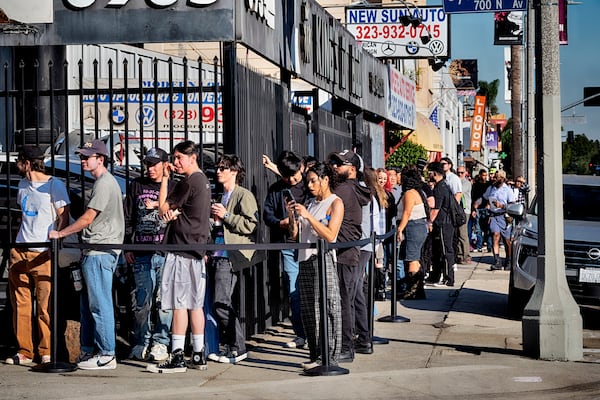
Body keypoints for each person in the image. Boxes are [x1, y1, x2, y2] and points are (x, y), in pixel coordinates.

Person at [49, 139, 124, 370]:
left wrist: (61, 233)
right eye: (82, 156)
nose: (82, 160)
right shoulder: (103, 183)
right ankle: (90, 350)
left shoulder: (104, 183)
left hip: (100, 250)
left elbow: (88, 218)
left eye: (87, 156)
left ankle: (107, 353)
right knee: (90, 304)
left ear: (100, 159)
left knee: (99, 304)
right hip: (95, 250)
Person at [147, 140, 211, 373]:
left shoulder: (189, 182)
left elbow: (163, 208)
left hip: (182, 249)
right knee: (195, 304)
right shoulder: (203, 181)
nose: (175, 162)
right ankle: (198, 352)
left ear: (192, 157)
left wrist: (165, 178)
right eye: (174, 158)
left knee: (179, 305)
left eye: (178, 158)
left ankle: (176, 356)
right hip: (196, 249)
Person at [5, 146, 70, 366]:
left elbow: (64, 216)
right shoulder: (22, 184)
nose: (16, 164)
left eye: (19, 161)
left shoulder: (54, 185)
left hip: (43, 251)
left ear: (27, 162)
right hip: (21, 248)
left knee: (45, 306)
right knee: (20, 304)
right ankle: (24, 350)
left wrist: (56, 242)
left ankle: (46, 351)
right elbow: (23, 216)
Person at [288, 162, 344, 370]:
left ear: (325, 179)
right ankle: (316, 355)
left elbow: (330, 235)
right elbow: (295, 236)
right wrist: (293, 217)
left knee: (328, 307)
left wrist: (308, 216)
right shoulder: (310, 203)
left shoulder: (335, 203)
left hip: (323, 258)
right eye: (308, 181)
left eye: (313, 180)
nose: (310, 185)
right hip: (305, 259)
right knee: (309, 310)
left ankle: (330, 356)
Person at [123, 147, 174, 362]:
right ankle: (141, 341)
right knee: (142, 300)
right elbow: (128, 216)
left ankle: (161, 342)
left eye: (154, 164)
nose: (150, 168)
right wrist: (127, 245)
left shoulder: (173, 186)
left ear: (165, 164)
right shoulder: (136, 184)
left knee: (164, 301)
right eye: (148, 164)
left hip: (164, 251)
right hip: (141, 250)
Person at [208, 154, 258, 364]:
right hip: (219, 254)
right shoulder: (223, 196)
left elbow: (251, 224)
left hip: (231, 256)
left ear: (234, 172)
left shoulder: (243, 195)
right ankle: (231, 346)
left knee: (221, 302)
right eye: (218, 168)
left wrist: (227, 216)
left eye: (223, 168)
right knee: (220, 301)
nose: (218, 171)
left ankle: (237, 347)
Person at [328, 150, 371, 363]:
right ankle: (358, 341)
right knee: (350, 299)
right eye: (334, 163)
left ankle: (346, 346)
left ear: (352, 169)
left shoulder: (344, 189)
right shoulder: (352, 188)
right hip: (350, 251)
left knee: (344, 300)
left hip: (345, 252)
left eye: (340, 164)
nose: (335, 167)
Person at [263, 150, 308, 349]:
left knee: (313, 290)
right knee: (294, 291)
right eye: (287, 176)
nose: (292, 180)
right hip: (289, 245)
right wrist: (280, 223)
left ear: (302, 168)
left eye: (295, 176)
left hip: (311, 244)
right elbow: (267, 214)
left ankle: (315, 333)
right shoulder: (276, 189)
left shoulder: (310, 185)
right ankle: (301, 334)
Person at [396, 166, 429, 300]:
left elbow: (407, 212)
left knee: (412, 259)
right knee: (414, 257)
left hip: (413, 226)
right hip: (417, 226)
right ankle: (418, 289)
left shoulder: (410, 193)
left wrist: (400, 229)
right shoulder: (417, 191)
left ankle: (413, 290)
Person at [427, 162, 456, 287]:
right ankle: (439, 275)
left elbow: (436, 209)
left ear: (435, 173)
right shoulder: (444, 185)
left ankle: (449, 278)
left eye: (430, 172)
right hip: (446, 222)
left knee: (445, 250)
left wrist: (429, 221)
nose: (428, 175)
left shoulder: (440, 188)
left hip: (444, 223)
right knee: (440, 250)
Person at [479, 170, 515, 271]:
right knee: (495, 235)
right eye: (495, 177)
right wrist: (478, 204)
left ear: (502, 179)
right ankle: (497, 260)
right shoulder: (491, 188)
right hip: (494, 215)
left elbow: (512, 204)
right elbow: (484, 197)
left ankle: (508, 260)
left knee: (507, 240)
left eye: (497, 177)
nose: (494, 179)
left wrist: (502, 206)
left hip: (504, 216)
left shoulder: (507, 190)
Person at [470, 169, 492, 253]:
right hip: (478, 208)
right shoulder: (476, 185)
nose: (484, 177)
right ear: (479, 175)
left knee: (488, 228)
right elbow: (473, 197)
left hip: (487, 208)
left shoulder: (488, 185)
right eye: (483, 175)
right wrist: (473, 209)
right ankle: (479, 245)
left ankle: (489, 245)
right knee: (478, 228)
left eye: (485, 175)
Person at [455, 165, 472, 264]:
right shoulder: (456, 181)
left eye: (462, 172)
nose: (460, 174)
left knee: (463, 233)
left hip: (465, 211)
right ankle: (460, 255)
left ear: (465, 173)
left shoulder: (466, 183)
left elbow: (459, 192)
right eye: (458, 173)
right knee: (457, 233)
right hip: (457, 211)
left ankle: (466, 256)